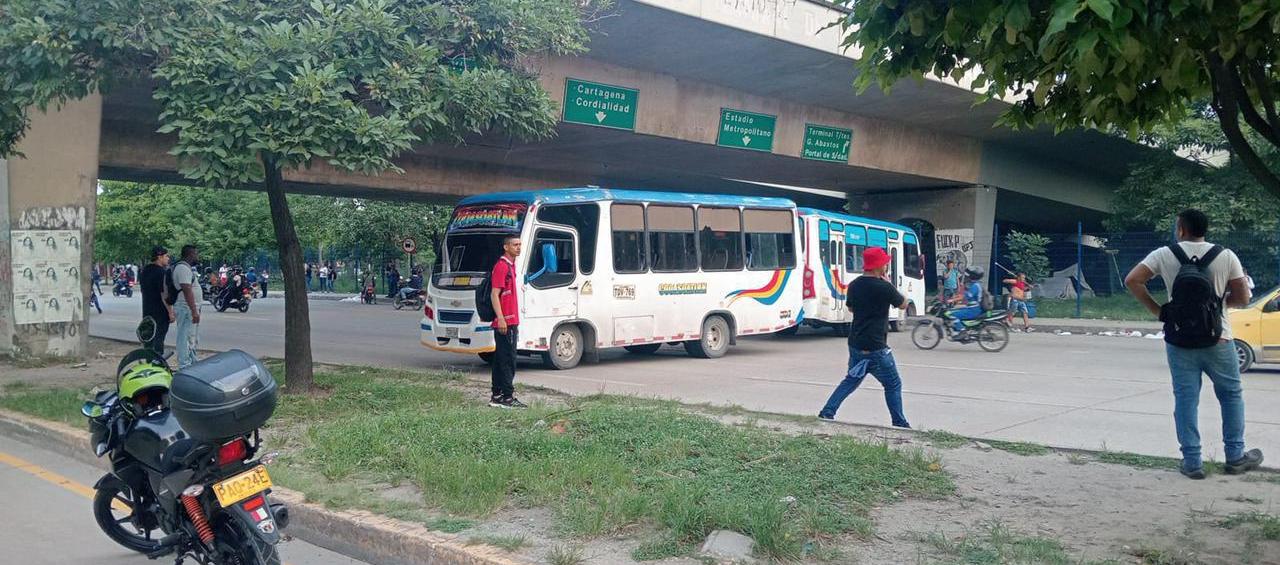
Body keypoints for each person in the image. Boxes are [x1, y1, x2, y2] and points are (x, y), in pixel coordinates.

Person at [1125, 209, 1263, 479]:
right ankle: (1235, 456)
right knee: (1231, 396)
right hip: (1219, 338)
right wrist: (1220, 304)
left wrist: (1158, 310)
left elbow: (1133, 280)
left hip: (1179, 340)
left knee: (1186, 399)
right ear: (1205, 229)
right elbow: (1244, 298)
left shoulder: (1164, 254)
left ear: (1180, 229)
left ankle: (1192, 462)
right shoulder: (1225, 255)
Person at [818, 247, 911, 428]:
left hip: (856, 343)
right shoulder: (885, 287)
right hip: (877, 347)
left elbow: (851, 308)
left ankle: (827, 412)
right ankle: (899, 423)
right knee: (893, 384)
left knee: (851, 380)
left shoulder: (854, 285)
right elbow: (903, 305)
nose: (887, 265)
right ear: (879, 266)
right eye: (885, 263)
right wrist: (889, 284)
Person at [490, 235, 527, 409]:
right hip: (506, 322)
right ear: (506, 247)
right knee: (508, 360)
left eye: (520, 244)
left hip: (509, 320)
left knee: (499, 359)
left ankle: (496, 395)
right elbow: (494, 294)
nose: (518, 247)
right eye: (515, 245)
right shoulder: (502, 267)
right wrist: (501, 318)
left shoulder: (511, 266)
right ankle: (507, 397)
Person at [139, 246, 175, 355]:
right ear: (159, 257)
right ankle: (157, 363)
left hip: (147, 311)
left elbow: (142, 290)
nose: (168, 258)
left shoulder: (145, 270)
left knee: (149, 338)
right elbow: (164, 294)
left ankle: (149, 361)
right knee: (159, 339)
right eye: (166, 256)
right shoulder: (161, 272)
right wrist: (170, 312)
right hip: (160, 312)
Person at [172, 245, 202, 368]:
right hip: (185, 308)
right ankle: (184, 365)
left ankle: (192, 362)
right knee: (184, 337)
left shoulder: (187, 268)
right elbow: (187, 289)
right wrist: (194, 310)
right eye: (196, 254)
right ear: (190, 255)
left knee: (192, 337)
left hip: (188, 307)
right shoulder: (182, 268)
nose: (197, 256)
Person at [947, 267, 986, 333]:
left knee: (952, 315)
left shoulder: (975, 286)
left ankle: (962, 331)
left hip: (973, 310)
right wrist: (953, 297)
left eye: (970, 275)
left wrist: (952, 300)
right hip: (972, 308)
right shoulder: (975, 285)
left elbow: (965, 297)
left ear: (973, 276)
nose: (968, 276)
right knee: (955, 310)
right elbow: (964, 295)